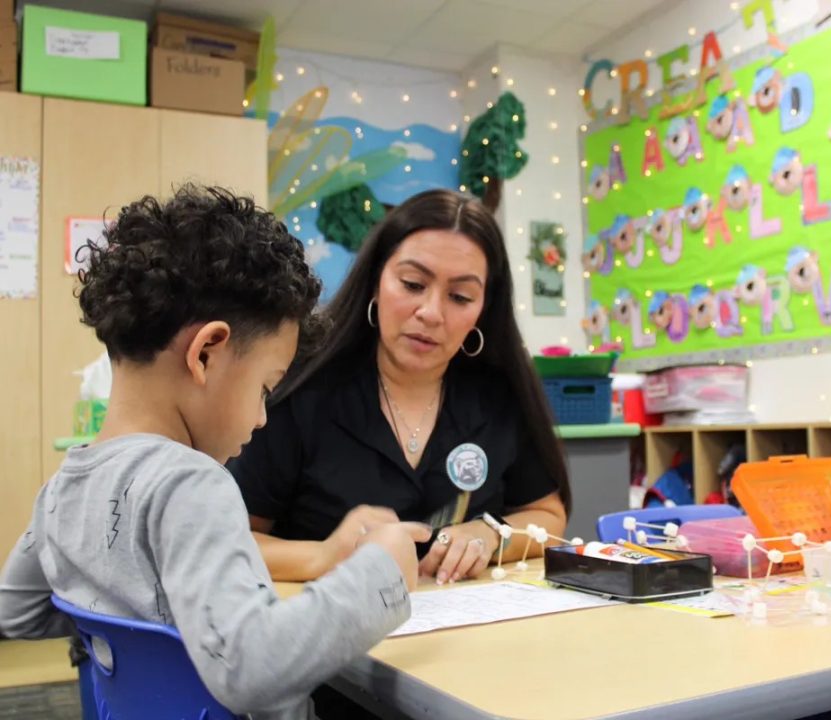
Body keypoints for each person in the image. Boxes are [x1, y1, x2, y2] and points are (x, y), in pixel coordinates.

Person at [0, 186, 430, 719]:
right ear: (206, 352)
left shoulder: (63, 487)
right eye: (265, 388)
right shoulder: (193, 484)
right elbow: (252, 670)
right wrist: (381, 572)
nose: (261, 417)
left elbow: (16, 612)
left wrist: (134, 628)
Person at [228, 189, 571, 588]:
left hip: (468, 631)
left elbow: (548, 515)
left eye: (460, 296)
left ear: (484, 308)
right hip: (326, 632)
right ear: (376, 281)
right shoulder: (302, 386)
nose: (430, 313)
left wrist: (492, 535)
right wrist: (324, 555)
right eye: (412, 284)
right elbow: (229, 543)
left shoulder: (497, 393)